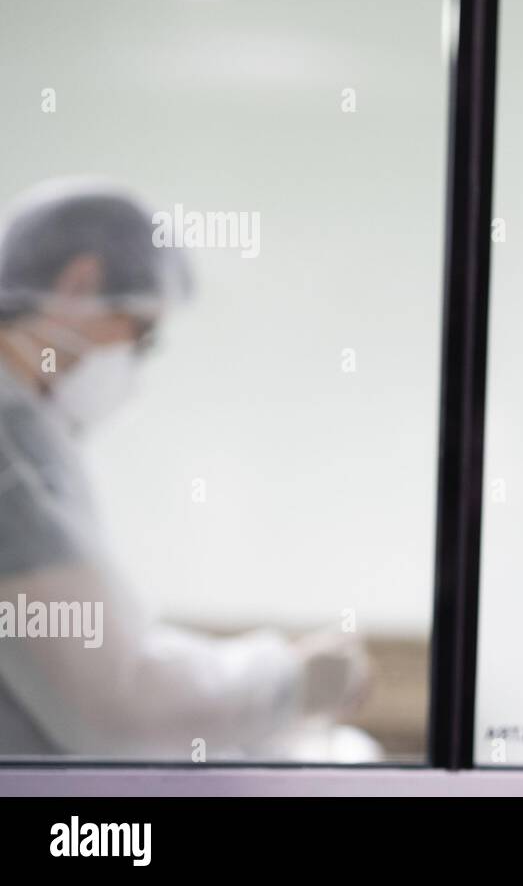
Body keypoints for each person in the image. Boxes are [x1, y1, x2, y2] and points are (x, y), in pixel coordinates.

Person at [0, 177, 377, 760]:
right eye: (142, 333)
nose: (136, 363)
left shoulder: (27, 439)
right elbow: (112, 707)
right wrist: (290, 680)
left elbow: (98, 653)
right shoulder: (9, 449)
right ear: (81, 282)